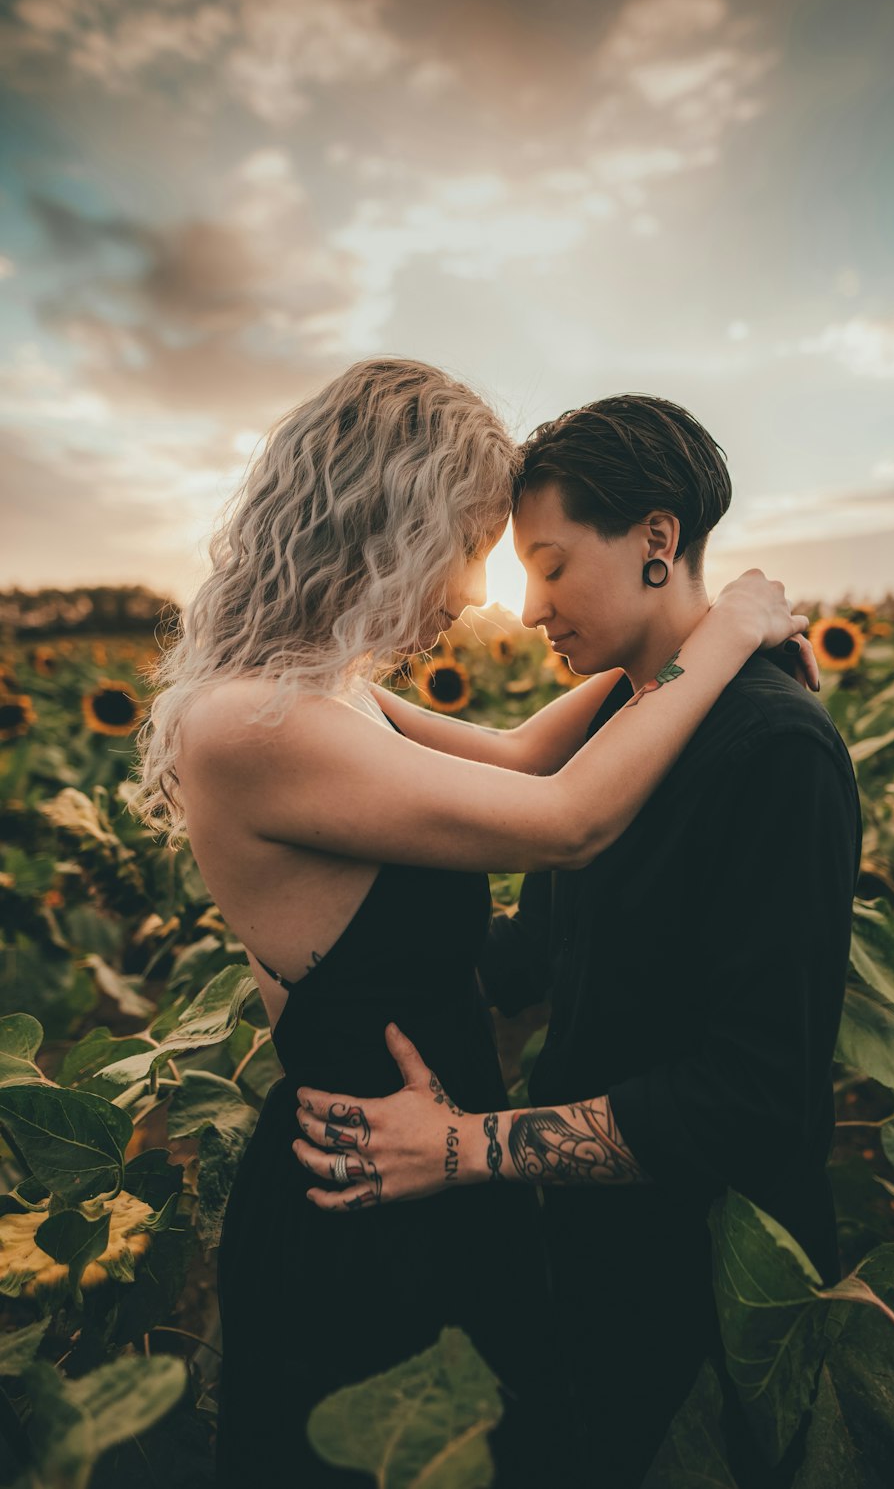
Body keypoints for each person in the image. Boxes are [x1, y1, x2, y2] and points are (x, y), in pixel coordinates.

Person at [132, 360, 810, 1488]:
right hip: (362, 1193)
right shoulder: (253, 724)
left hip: (439, 1162)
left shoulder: (326, 690)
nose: (471, 590)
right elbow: (564, 817)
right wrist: (725, 632)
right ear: (387, 523)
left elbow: (514, 755)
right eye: (464, 544)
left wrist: (654, 643)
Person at [292, 393, 862, 1488]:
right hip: (598, 1259)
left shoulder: (775, 748)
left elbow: (755, 1100)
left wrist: (463, 1148)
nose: (529, 608)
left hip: (718, 1286)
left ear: (656, 538)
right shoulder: (623, 726)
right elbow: (537, 958)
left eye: (550, 565)